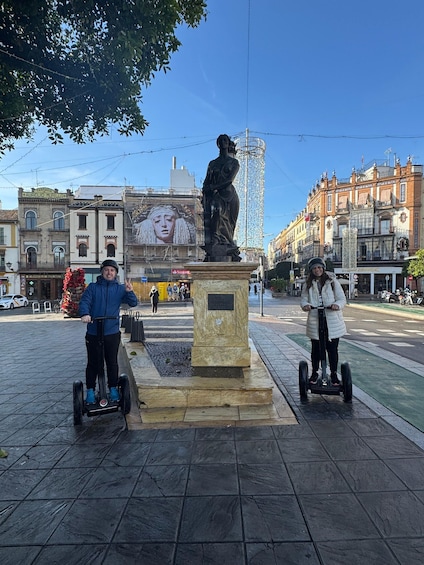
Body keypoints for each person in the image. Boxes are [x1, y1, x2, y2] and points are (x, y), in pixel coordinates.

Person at [79, 259, 137, 404]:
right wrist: (85, 314)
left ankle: (112, 388)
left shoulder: (120, 288)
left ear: (115, 273)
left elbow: (133, 303)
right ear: (102, 272)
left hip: (111, 332)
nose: (109, 272)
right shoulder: (93, 287)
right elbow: (85, 301)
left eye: (112, 270)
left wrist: (130, 292)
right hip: (93, 332)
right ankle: (91, 390)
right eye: (106, 270)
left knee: (112, 362)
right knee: (93, 363)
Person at [300, 257, 347, 386]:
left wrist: (337, 305)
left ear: (323, 268)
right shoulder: (307, 284)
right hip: (315, 319)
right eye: (314, 268)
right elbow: (303, 299)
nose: (317, 270)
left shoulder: (332, 282)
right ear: (311, 270)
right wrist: (306, 305)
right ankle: (315, 372)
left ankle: (333, 374)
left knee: (332, 349)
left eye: (319, 267)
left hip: (332, 320)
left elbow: (342, 299)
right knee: (316, 348)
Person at [202, 134, 240, 250]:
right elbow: (206, 180)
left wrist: (212, 187)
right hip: (217, 196)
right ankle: (216, 240)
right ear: (218, 144)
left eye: (225, 140)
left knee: (230, 224)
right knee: (216, 211)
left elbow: (229, 180)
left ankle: (227, 244)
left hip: (230, 196)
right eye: (221, 141)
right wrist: (204, 190)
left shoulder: (234, 162)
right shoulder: (212, 164)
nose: (223, 142)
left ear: (228, 143)